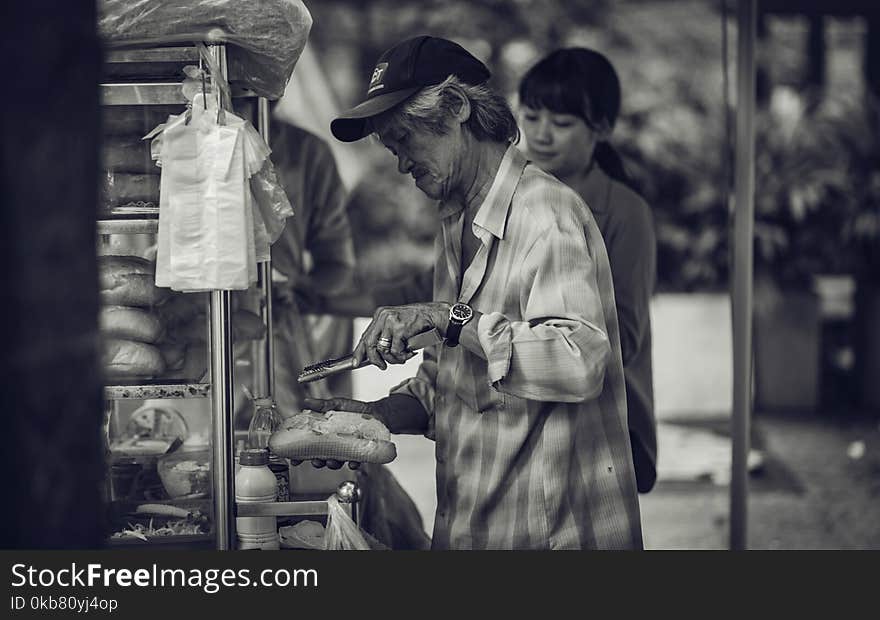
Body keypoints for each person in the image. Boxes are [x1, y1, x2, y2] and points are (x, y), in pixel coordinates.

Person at [307, 35, 643, 550]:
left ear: (457, 108)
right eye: (392, 148)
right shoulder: (458, 220)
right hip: (476, 523)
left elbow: (579, 363)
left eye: (405, 140)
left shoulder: (545, 213)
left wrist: (450, 318)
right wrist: (373, 418)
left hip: (549, 534)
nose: (401, 164)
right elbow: (455, 383)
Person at [517, 48, 658, 494]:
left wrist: (515, 347)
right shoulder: (512, 199)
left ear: (601, 129)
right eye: (532, 116)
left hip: (602, 421)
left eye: (561, 123)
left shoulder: (625, 212)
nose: (541, 135)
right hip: (525, 407)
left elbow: (626, 334)